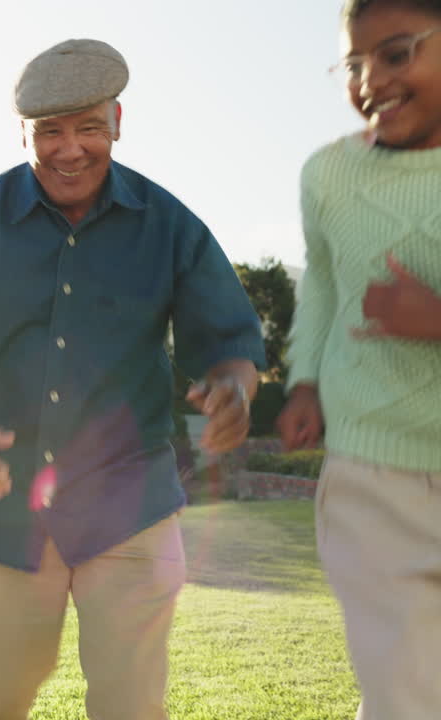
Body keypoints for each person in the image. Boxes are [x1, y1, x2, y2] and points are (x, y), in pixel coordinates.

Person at [0, 39, 266, 720]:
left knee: (130, 703)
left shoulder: (170, 226)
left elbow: (233, 344)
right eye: (50, 132)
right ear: (24, 133)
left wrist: (233, 390)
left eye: (88, 128)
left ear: (118, 121)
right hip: (5, 503)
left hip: (131, 502)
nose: (70, 149)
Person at [276, 1, 441, 717]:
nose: (370, 78)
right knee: (405, 690)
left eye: (397, 53)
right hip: (371, 471)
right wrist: (305, 378)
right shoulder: (327, 177)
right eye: (354, 63)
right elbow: (322, 282)